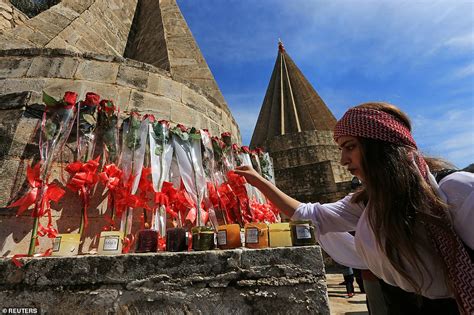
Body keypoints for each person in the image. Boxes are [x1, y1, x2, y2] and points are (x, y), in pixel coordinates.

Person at [235, 102, 474, 315]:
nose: (343, 160)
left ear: (379, 146)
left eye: (350, 146)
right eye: (341, 149)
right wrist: (260, 182)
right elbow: (312, 215)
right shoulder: (369, 203)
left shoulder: (454, 190)